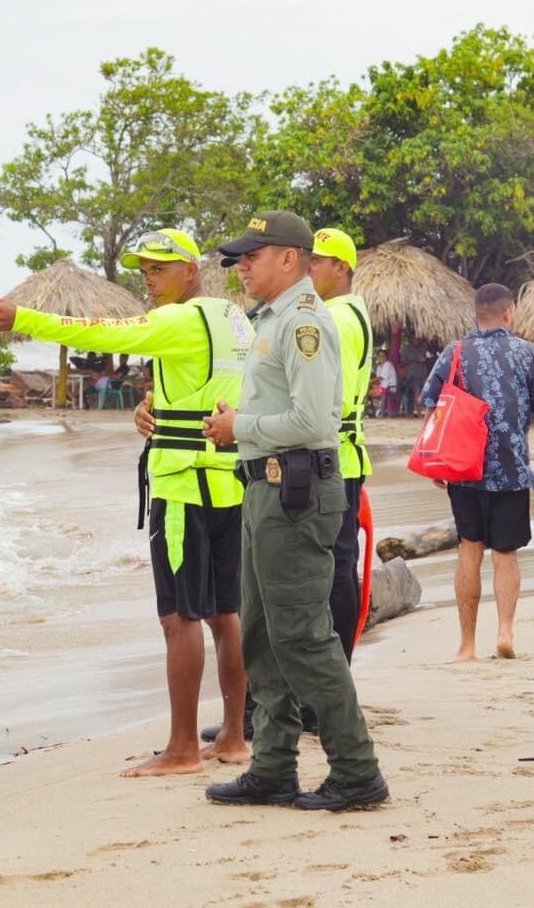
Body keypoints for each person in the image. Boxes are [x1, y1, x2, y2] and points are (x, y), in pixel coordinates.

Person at [0, 227, 252, 777]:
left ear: (190, 272)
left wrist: (21, 318)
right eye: (143, 269)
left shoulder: (176, 320)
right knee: (226, 614)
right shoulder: (233, 317)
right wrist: (150, 408)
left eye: (158, 268)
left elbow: (99, 330)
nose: (147, 279)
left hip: (182, 486)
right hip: (230, 481)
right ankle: (234, 736)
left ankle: (180, 750)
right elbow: (213, 386)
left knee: (180, 618)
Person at [201, 210, 388, 812]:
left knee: (304, 636)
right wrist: (240, 427)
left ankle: (357, 771)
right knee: (261, 634)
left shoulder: (305, 322)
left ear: (289, 258)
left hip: (294, 490)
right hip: (267, 485)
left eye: (251, 257)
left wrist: (241, 426)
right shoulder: (274, 320)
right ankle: (274, 767)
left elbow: (315, 423)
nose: (241, 268)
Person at [419, 283, 534, 662]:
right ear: (508, 313)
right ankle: (505, 632)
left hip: (463, 469)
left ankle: (467, 645)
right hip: (512, 470)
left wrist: (433, 459)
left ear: (477, 313)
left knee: (469, 550)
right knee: (505, 554)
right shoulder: (528, 354)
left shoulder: (454, 352)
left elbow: (433, 407)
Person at [308, 227, 374, 662]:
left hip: (334, 458)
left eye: (316, 261)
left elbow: (329, 398)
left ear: (341, 267)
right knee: (340, 568)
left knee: (332, 572)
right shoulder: (353, 313)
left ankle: (334, 678)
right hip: (347, 457)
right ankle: (337, 678)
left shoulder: (335, 318)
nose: (309, 268)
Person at [373, 350, 397, 418]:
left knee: (380, 390)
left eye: (383, 355)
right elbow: (377, 380)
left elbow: (381, 377)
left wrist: (370, 382)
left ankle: (382, 413)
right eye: (380, 356)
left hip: (390, 387)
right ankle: (374, 412)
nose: (381, 357)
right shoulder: (379, 367)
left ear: (386, 357)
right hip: (383, 387)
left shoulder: (387, 364)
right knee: (368, 390)